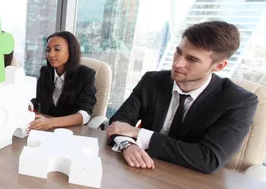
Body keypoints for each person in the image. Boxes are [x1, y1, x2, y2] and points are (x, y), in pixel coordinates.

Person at [107, 20, 258, 174]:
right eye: (178, 52)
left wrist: (140, 134)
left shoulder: (238, 101)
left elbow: (209, 159)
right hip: (142, 171)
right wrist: (128, 145)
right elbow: (119, 123)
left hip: (194, 184)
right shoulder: (152, 80)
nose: (177, 63)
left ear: (218, 66)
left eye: (191, 59)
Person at [29, 31, 97, 131]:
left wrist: (51, 122)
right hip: (45, 130)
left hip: (71, 131)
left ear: (71, 51)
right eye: (48, 50)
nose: (51, 54)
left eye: (57, 49)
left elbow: (84, 114)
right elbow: (36, 99)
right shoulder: (45, 72)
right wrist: (29, 106)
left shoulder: (86, 75)